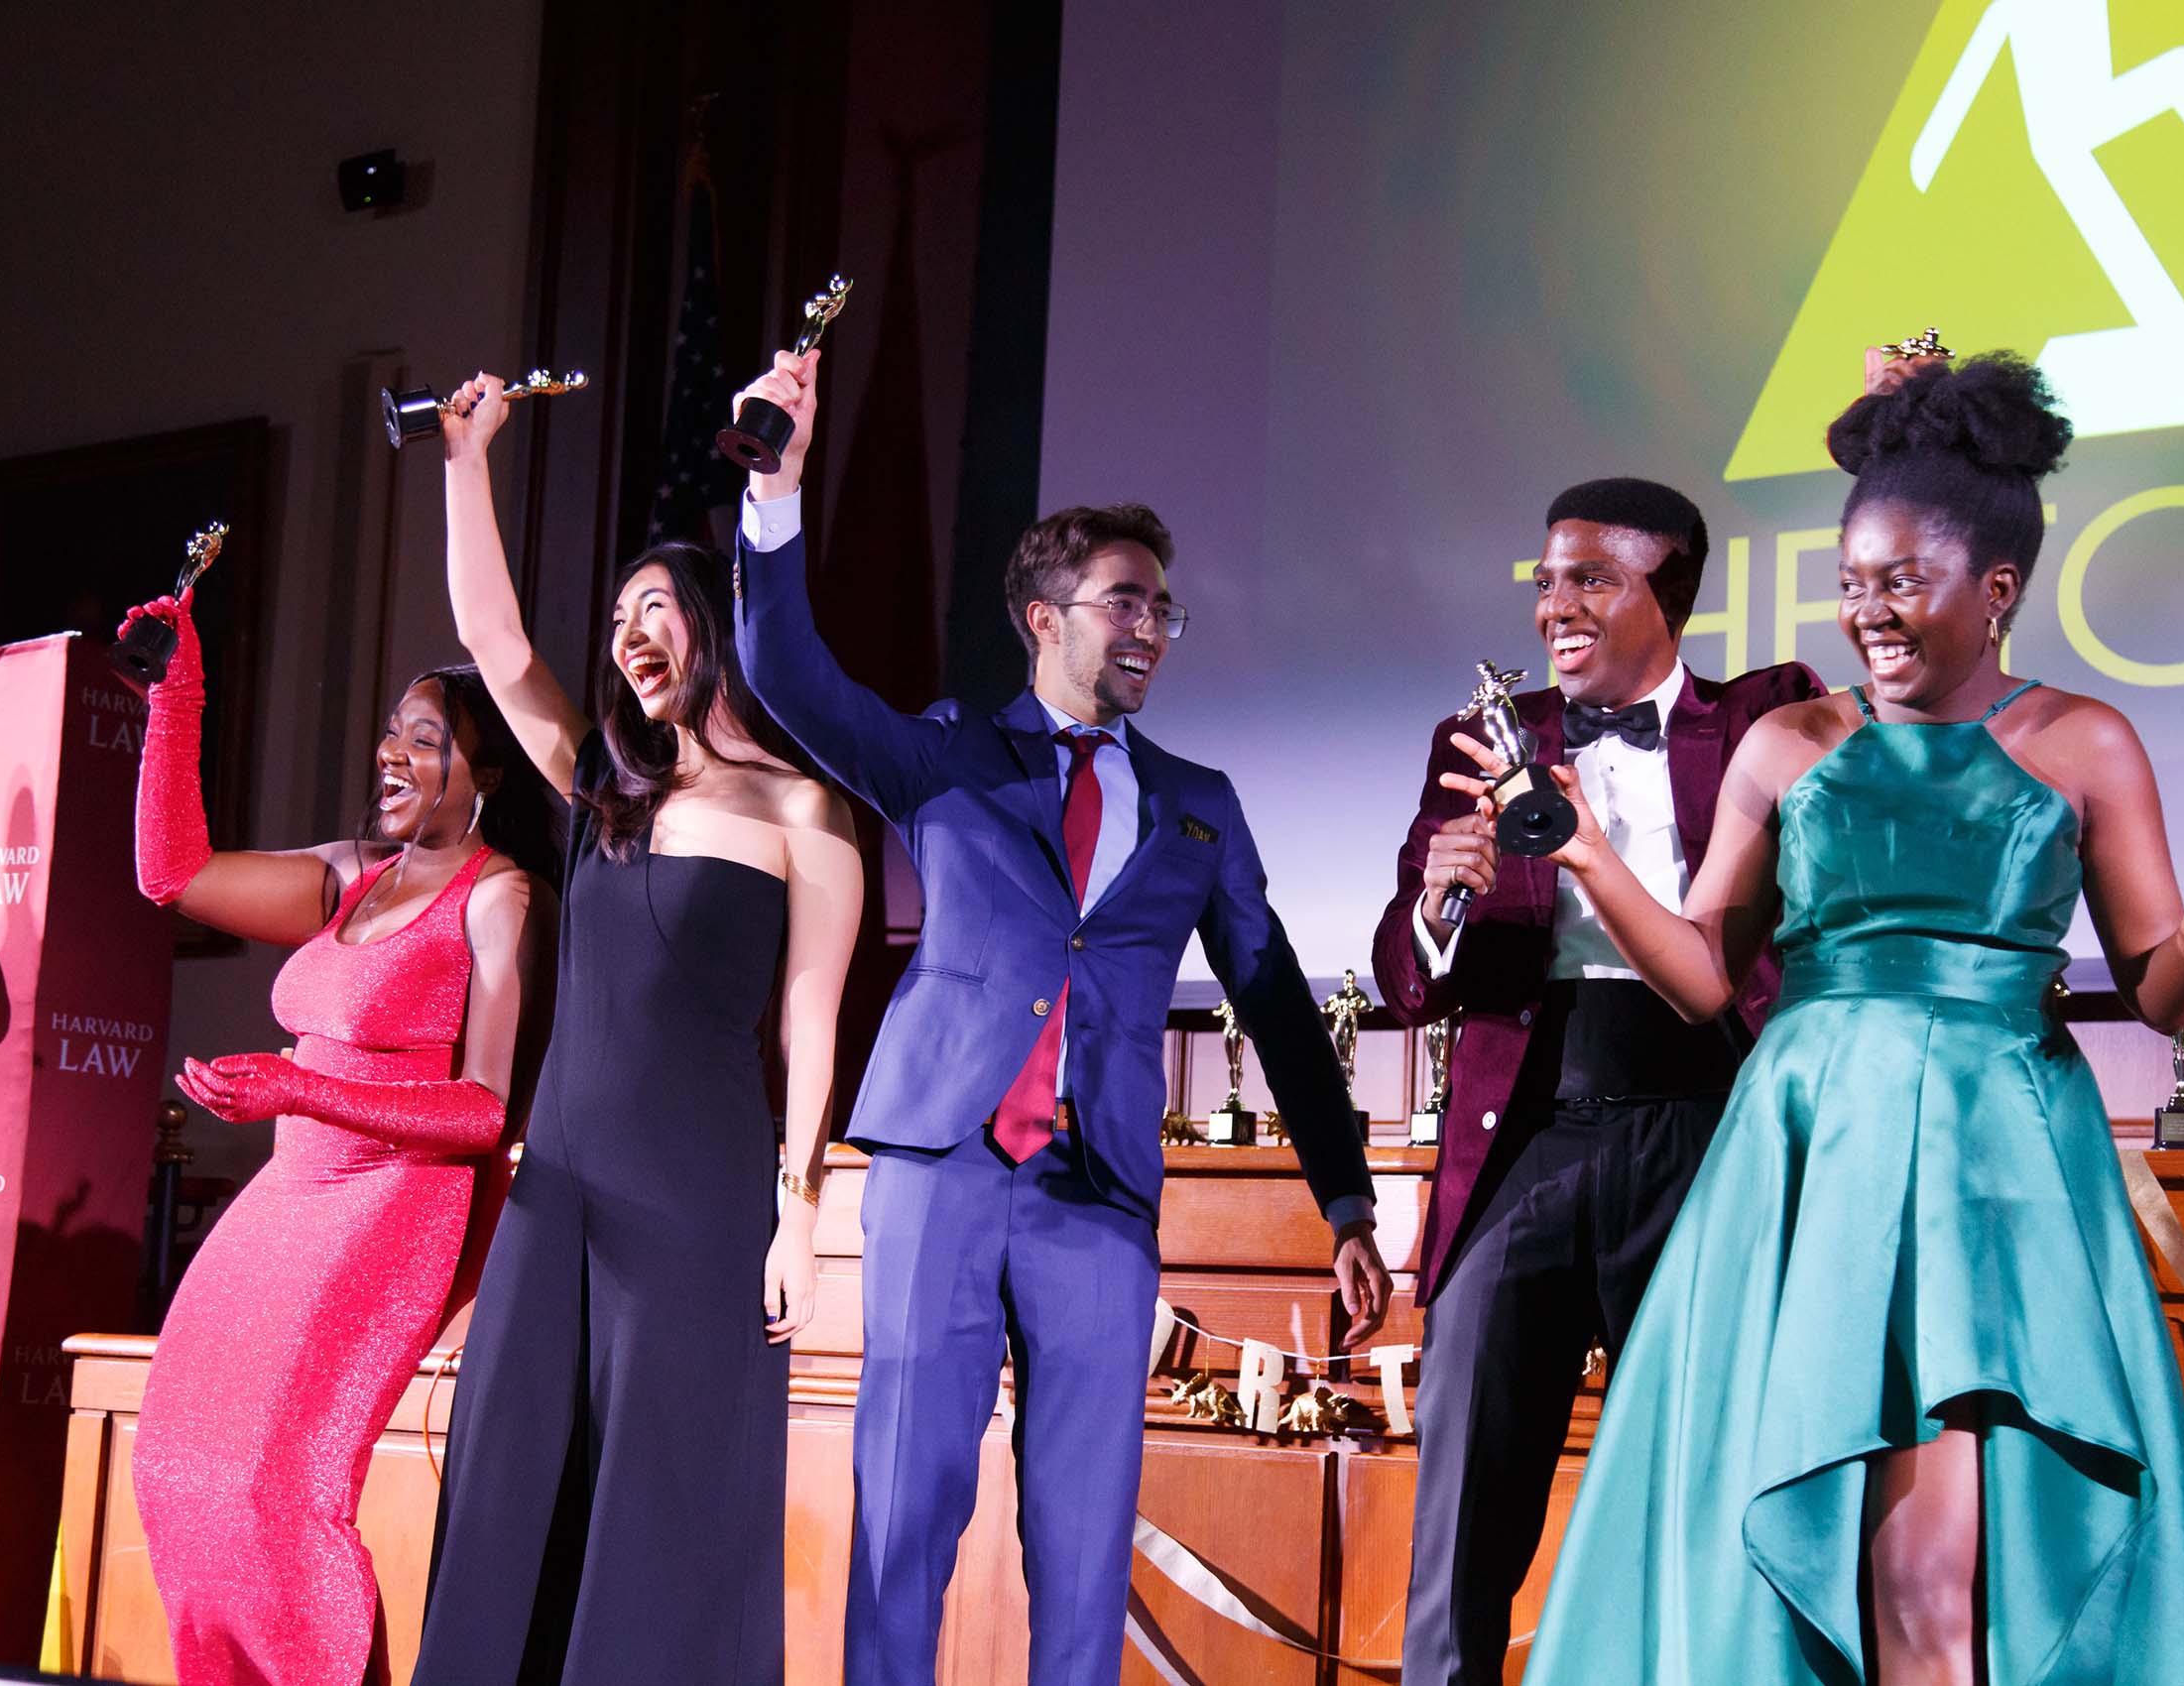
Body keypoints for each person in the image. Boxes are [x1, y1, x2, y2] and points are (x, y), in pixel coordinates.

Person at [1511, 351, 2184, 1682]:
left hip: (1994, 1168)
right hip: (1806, 1157)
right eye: (1850, 585)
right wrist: (1585, 862)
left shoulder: (2083, 742)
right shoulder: (1785, 742)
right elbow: (1701, 981)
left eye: (1900, 583)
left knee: (1929, 1576)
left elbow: (2154, 991)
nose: (1867, 614)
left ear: (1995, 590)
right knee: (1781, 1557)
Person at [728, 348, 1392, 1686]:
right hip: (942, 1170)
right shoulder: (950, 753)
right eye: (1125, 602)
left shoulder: (1198, 799)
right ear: (1043, 615)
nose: (1151, 626)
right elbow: (787, 677)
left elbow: (1266, 996)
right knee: (904, 1523)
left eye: (1165, 611)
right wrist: (775, 497)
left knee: (1082, 1546)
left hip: (1098, 1201)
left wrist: (1348, 1207)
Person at [410, 373, 862, 1686]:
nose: (625, 635)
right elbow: (495, 644)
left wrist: (799, 1211)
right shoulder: (595, 787)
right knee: (508, 1478)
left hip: (701, 1200)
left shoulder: (804, 817)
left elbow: (813, 1025)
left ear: (712, 623)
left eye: (652, 607)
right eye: (613, 618)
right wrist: (465, 460)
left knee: (667, 1500)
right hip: (558, 1194)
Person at [1370, 478, 1821, 1685]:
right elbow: (1406, 980)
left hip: (1706, 1129)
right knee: (1464, 1499)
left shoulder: (1766, 716)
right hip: (1529, 1133)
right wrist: (1435, 899)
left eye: (1590, 579)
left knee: (1699, 1484)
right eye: (1545, 580)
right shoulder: (1481, 737)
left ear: (1668, 590)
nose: (1554, 606)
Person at [121, 585, 558, 1686]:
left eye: (429, 738)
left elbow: (484, 1110)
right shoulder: (350, 873)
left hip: (389, 1210)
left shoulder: (498, 898)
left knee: (278, 1490)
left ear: (488, 775)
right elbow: (171, 872)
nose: (394, 753)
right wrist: (178, 690)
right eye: (393, 733)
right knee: (180, 1466)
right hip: (283, 1201)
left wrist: (304, 1091)